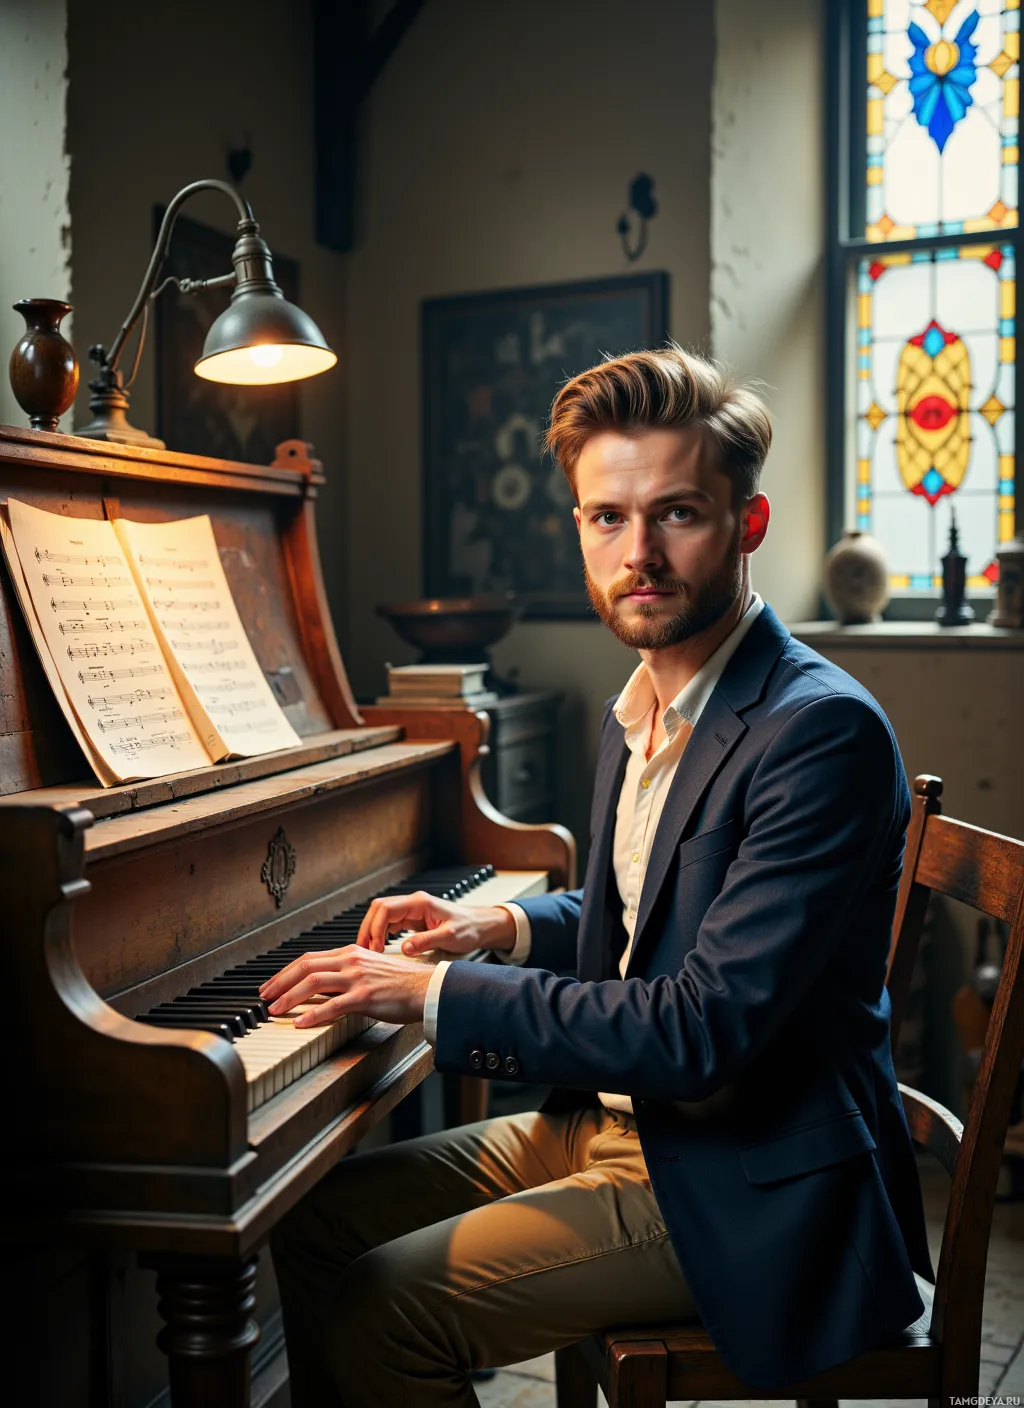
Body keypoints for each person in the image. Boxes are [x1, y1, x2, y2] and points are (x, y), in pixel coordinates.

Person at [266, 346, 932, 1407]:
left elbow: (698, 1027)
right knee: (313, 1215)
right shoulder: (647, 704)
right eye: (606, 518)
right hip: (622, 1126)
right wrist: (497, 931)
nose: (639, 554)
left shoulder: (819, 733)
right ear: (575, 523)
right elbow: (647, 917)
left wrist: (430, 993)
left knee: (381, 1306)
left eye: (677, 514)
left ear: (746, 525)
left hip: (744, 1174)